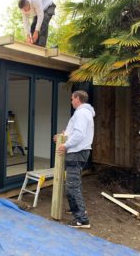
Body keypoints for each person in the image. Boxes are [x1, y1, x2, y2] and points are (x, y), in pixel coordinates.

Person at [54, 90, 95, 229]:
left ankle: (82, 220)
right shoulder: (83, 113)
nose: (71, 101)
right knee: (72, 183)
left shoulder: (81, 113)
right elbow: (74, 132)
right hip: (79, 152)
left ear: (78, 98)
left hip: (77, 152)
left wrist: (65, 145)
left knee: (72, 185)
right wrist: (62, 135)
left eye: (72, 99)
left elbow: (79, 134)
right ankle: (75, 208)